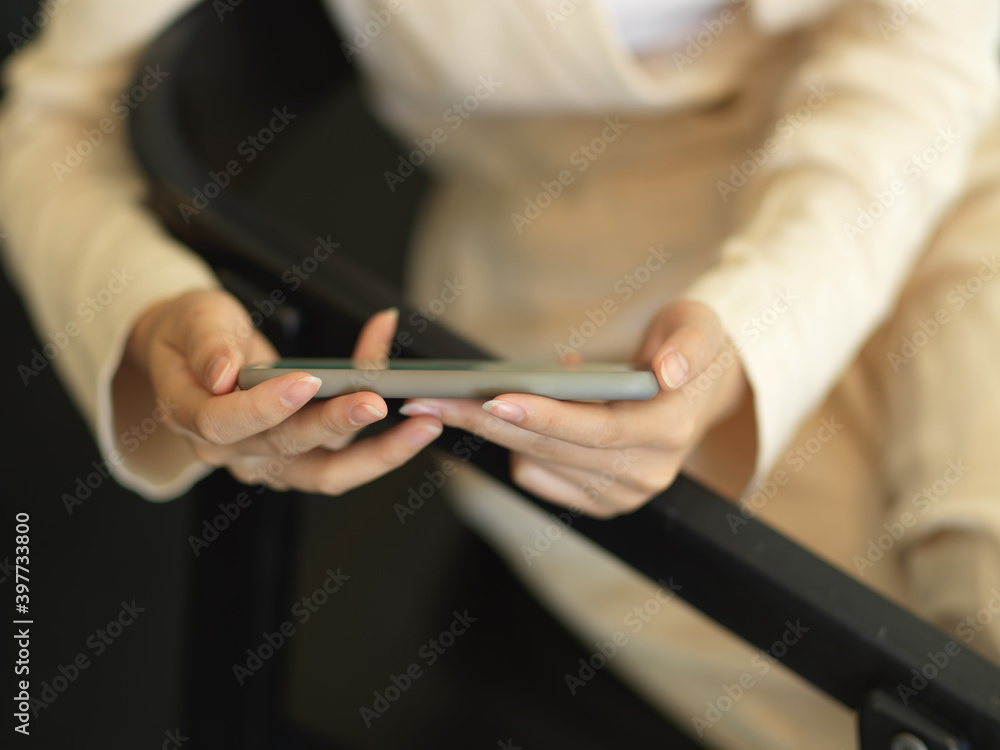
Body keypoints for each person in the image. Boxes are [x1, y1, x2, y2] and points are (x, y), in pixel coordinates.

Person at [2, 0, 999, 747]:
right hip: (581, 313)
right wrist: (150, 311)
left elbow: (927, 35)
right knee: (917, 688)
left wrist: (766, 321)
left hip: (936, 157)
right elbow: (50, 119)